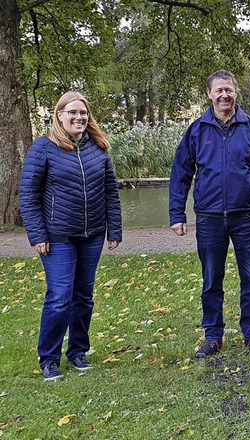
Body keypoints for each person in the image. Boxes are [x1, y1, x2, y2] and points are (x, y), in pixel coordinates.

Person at [169, 70, 250, 357]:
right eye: (218, 90)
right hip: (209, 218)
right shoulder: (197, 130)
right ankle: (212, 336)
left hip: (246, 217)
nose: (224, 95)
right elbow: (180, 173)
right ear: (209, 94)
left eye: (228, 90)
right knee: (211, 280)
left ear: (235, 92)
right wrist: (177, 213)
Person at [19, 91, 122, 381]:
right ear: (59, 115)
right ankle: (49, 358)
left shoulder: (98, 149)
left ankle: (78, 351)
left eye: (83, 113)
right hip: (57, 236)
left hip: (92, 235)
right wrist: (37, 234)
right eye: (72, 112)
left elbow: (111, 192)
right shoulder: (44, 149)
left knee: (84, 297)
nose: (79, 117)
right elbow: (28, 195)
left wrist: (114, 228)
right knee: (60, 297)